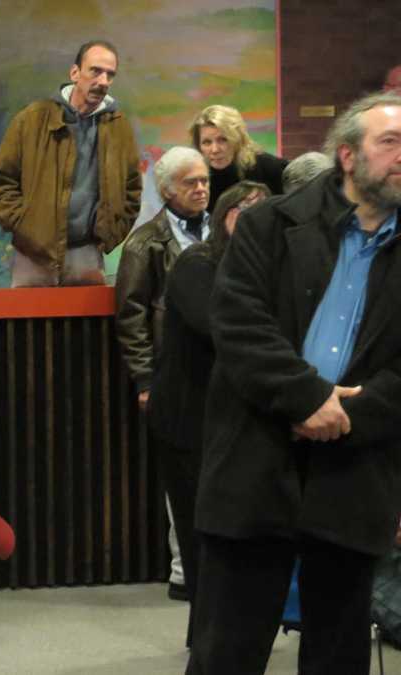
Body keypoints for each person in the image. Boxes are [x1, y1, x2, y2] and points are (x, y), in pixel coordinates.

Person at [188, 92, 401, 675]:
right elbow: (237, 323)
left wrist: (353, 413)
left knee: (338, 652)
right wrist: (308, 398)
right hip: (258, 458)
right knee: (227, 651)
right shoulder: (269, 224)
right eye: (391, 143)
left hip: (355, 469)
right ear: (349, 156)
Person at [148, 179, 269, 646]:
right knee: (202, 537)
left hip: (234, 424)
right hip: (187, 424)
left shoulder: (259, 266)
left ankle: (225, 635)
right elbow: (222, 328)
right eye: (253, 213)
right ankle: (207, 640)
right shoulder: (198, 264)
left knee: (232, 536)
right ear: (229, 217)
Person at [114, 146, 210, 611]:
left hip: (219, 375)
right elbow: (131, 317)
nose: (200, 189)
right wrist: (145, 379)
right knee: (182, 476)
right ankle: (182, 570)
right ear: (167, 190)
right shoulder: (144, 243)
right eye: (190, 182)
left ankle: (210, 567)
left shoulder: (221, 230)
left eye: (205, 181)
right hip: (171, 375)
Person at [0, 39, 141, 287]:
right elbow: (0, 182)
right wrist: (26, 229)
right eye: (95, 71)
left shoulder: (118, 128)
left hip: (87, 253)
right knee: (29, 324)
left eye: (110, 75)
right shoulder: (32, 119)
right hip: (33, 255)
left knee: (86, 326)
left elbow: (132, 189)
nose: (103, 81)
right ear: (75, 73)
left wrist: (111, 234)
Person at [188, 104, 288, 212]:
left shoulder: (270, 168)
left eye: (223, 140)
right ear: (199, 146)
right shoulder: (197, 179)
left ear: (238, 139)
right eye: (207, 142)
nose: (215, 150)